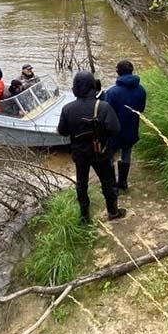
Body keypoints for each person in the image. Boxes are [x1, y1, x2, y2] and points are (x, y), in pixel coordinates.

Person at [57, 71, 127, 223]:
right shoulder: (103, 106)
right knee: (108, 182)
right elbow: (115, 129)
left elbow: (62, 131)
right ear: (93, 86)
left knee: (82, 184)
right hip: (100, 152)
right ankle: (113, 212)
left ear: (75, 87)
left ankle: (84, 217)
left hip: (79, 153)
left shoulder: (67, 108)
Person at [102, 60, 147, 192]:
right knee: (126, 154)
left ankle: (112, 185)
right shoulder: (141, 90)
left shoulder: (112, 92)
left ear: (118, 72)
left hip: (114, 132)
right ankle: (123, 183)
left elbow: (106, 113)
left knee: (109, 157)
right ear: (131, 71)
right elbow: (141, 109)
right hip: (131, 129)